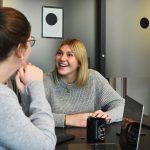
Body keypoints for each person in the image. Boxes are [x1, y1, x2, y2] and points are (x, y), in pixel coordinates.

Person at [22, 38, 125, 128]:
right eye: (59, 53)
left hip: (90, 140)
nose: (62, 59)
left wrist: (108, 116)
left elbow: (120, 105)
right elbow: (32, 115)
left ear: (80, 62)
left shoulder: (94, 78)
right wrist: (67, 119)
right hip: (55, 140)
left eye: (69, 55)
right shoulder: (45, 80)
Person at [0, 7, 56, 150]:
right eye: (30, 41)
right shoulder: (2, 98)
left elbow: (21, 135)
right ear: (20, 49)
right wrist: (36, 86)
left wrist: (26, 95)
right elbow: (46, 145)